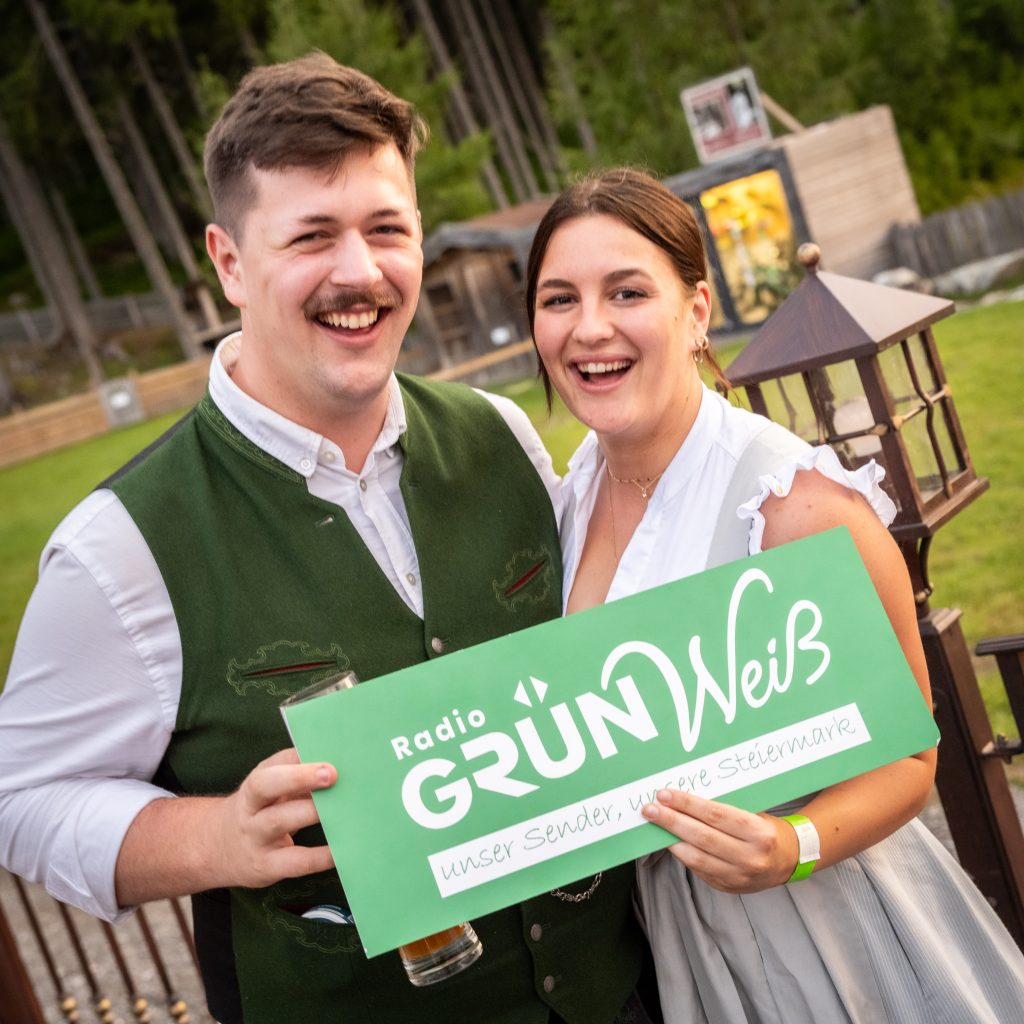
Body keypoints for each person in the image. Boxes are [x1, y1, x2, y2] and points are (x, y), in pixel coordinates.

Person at [0, 57, 654, 1024]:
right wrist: (218, 837)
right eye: (312, 236)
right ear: (228, 261)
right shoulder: (120, 547)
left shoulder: (503, 435)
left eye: (386, 229)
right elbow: (23, 798)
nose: (360, 272)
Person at [525, 166, 1024, 1023]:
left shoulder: (791, 505)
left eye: (627, 291)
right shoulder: (566, 501)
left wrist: (790, 845)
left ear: (696, 310)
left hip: (830, 936)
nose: (589, 327)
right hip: (677, 948)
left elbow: (910, 758)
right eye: (559, 299)